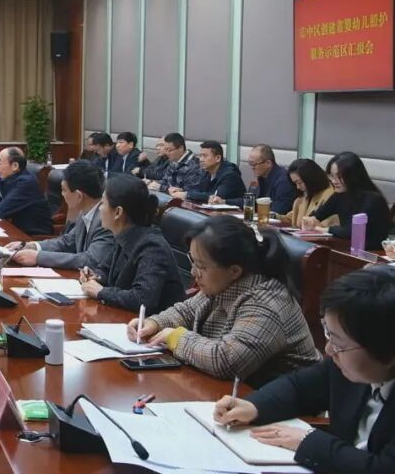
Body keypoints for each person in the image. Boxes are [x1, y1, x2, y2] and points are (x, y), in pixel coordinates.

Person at [213, 266, 395, 473]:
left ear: (388, 353)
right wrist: (254, 407)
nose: (329, 350)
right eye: (328, 335)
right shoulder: (348, 365)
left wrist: (308, 442)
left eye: (339, 344)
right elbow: (298, 387)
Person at [130, 216, 320, 386]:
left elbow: (226, 361)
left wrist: (176, 338)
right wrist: (154, 324)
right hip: (234, 393)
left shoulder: (267, 303)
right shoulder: (222, 284)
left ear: (234, 271)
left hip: (282, 406)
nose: (194, 272)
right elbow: (186, 311)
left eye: (201, 266)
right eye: (192, 261)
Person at [81, 174, 185, 313]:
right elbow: (105, 269)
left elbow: (144, 299)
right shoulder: (123, 234)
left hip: (152, 323)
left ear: (118, 212)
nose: (99, 208)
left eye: (103, 203)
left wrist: (101, 292)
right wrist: (95, 277)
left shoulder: (152, 246)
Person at [6, 160, 114, 270]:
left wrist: (38, 257)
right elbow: (67, 242)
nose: (62, 195)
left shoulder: (105, 220)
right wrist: (32, 246)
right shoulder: (87, 211)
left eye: (64, 190)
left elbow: (91, 260)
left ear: (79, 196)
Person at [302, 152, 391, 250]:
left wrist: (320, 229)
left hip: (371, 253)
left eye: (339, 177)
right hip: (348, 250)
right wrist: (309, 221)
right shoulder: (339, 195)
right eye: (331, 176)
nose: (334, 181)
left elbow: (351, 231)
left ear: (353, 176)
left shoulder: (373, 199)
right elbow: (317, 215)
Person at [0, 147, 53, 236]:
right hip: (17, 230)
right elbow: (4, 199)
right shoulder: (13, 179)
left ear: (15, 166)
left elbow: (1, 210)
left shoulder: (26, 183)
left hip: (33, 236)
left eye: (0, 163)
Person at [218, 145, 296, 214]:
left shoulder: (283, 181)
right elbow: (251, 201)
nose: (252, 168)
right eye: (250, 164)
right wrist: (224, 201)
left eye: (254, 164)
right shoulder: (262, 177)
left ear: (268, 163)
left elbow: (279, 210)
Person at [169, 140, 245, 203]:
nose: (201, 159)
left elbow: (214, 197)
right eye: (200, 156)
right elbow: (198, 189)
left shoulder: (230, 175)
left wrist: (187, 194)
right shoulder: (206, 172)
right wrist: (183, 190)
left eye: (205, 156)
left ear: (218, 158)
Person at [277, 158, 338, 229]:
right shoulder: (305, 196)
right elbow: (291, 218)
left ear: (310, 178)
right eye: (295, 183)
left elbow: (325, 226)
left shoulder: (330, 196)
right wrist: (274, 216)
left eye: (299, 182)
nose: (297, 187)